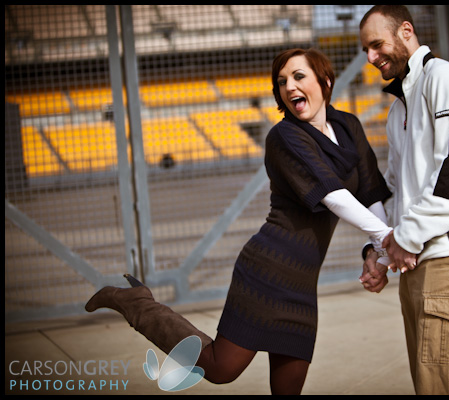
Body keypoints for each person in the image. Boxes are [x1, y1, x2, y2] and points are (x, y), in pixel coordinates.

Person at [85, 48, 393, 395]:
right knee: (221, 368)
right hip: (267, 271)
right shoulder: (285, 137)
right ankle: (138, 303)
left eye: (298, 76)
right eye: (281, 82)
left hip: (303, 283)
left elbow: (369, 190)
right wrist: (388, 238)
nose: (288, 86)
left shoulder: (348, 126)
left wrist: (379, 252)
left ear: (325, 80)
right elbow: (332, 195)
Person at [358, 5, 449, 395]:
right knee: (433, 385)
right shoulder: (399, 106)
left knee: (441, 387)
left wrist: (405, 239)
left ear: (406, 31)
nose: (370, 58)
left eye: (376, 45)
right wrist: (378, 253)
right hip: (418, 259)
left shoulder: (444, 78)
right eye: (365, 50)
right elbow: (397, 190)